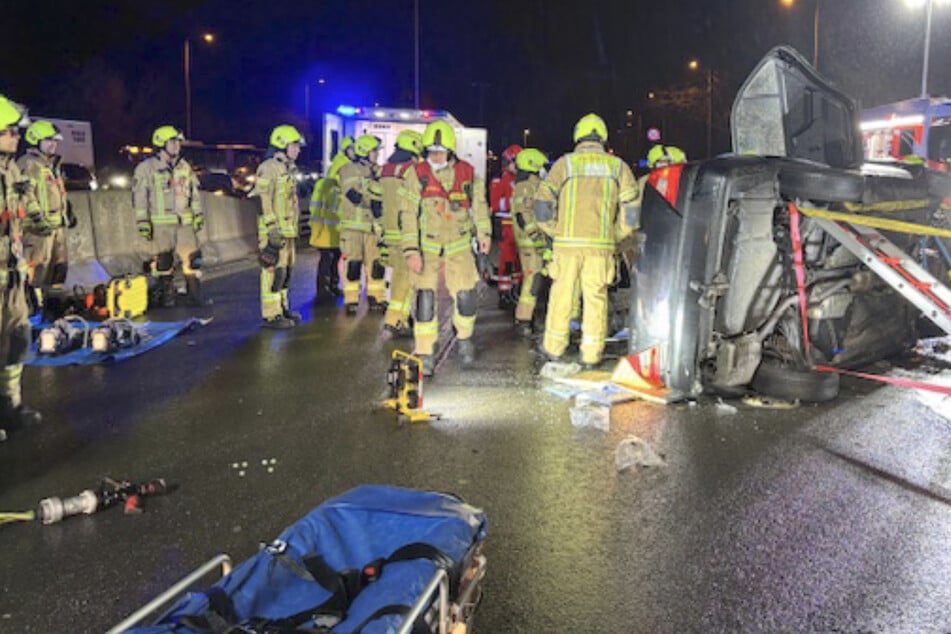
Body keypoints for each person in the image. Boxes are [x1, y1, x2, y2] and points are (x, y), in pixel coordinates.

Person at [535, 113, 641, 368]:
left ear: (578, 136)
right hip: (600, 248)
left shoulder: (565, 164)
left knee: (561, 297)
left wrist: (556, 231)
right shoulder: (618, 167)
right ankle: (591, 356)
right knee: (596, 300)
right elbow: (631, 213)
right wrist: (614, 236)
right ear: (603, 137)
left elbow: (542, 205)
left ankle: (554, 350)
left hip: (566, 247)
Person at [399, 120, 491, 376]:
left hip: (459, 247)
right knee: (425, 300)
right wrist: (411, 250)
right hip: (426, 249)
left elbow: (479, 207)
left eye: (440, 152)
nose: (435, 156)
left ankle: (464, 338)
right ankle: (425, 351)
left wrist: (484, 234)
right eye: (431, 151)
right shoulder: (416, 174)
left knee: (466, 298)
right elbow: (407, 214)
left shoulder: (468, 174)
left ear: (451, 151)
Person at [0, 94, 42, 439]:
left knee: (17, 339)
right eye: (9, 131)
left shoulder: (11, 169)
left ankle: (10, 405)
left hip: (11, 276)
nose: (16, 137)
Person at [133, 125, 207, 307]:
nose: (177, 146)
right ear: (161, 144)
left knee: (192, 261)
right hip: (161, 225)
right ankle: (166, 296)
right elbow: (140, 198)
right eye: (173, 142)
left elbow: (194, 194)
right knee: (163, 262)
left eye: (178, 142)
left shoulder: (184, 167)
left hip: (185, 223)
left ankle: (195, 296)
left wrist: (198, 214)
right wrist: (143, 222)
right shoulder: (146, 169)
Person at [17, 120, 76, 314]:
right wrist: (37, 218)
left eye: (55, 141)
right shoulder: (29, 164)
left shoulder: (50, 165)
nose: (53, 144)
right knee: (36, 270)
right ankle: (32, 310)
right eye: (49, 140)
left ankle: (53, 308)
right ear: (36, 140)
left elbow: (56, 193)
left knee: (59, 268)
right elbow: (26, 194)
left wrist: (68, 212)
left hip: (55, 227)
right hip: (37, 231)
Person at [254, 124, 305, 329]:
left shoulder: (288, 169)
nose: (298, 150)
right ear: (282, 145)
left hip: (287, 231)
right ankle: (271, 314)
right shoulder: (269, 168)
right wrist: (271, 227)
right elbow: (262, 199)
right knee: (272, 272)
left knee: (285, 272)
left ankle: (282, 308)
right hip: (274, 231)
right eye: (295, 145)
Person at [380, 130, 422, 337]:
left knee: (398, 276)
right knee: (407, 279)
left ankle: (398, 317)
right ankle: (397, 320)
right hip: (406, 232)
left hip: (389, 231)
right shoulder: (410, 170)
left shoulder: (385, 169)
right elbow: (415, 202)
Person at [338, 134, 385, 314]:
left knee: (377, 265)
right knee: (353, 265)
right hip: (353, 229)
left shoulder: (379, 171)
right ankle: (351, 300)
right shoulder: (347, 170)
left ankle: (377, 298)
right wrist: (374, 196)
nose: (377, 154)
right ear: (364, 152)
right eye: (374, 151)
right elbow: (354, 196)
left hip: (373, 229)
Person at [309, 136, 354, 300]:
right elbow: (321, 208)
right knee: (328, 259)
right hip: (327, 229)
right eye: (352, 149)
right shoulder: (334, 179)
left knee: (334, 258)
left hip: (333, 228)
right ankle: (324, 289)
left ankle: (332, 287)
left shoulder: (336, 177)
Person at [510, 148, 549, 338]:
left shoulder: (533, 186)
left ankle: (531, 318)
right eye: (541, 167)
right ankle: (523, 320)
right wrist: (537, 239)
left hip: (534, 242)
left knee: (538, 280)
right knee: (533, 280)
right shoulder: (525, 187)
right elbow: (523, 215)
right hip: (530, 243)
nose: (544, 170)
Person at [489, 144, 522, 307]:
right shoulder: (500, 180)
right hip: (506, 225)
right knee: (507, 261)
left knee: (519, 261)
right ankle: (504, 293)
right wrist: (515, 203)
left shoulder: (522, 179)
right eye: (515, 162)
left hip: (519, 226)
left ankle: (516, 290)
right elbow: (496, 204)